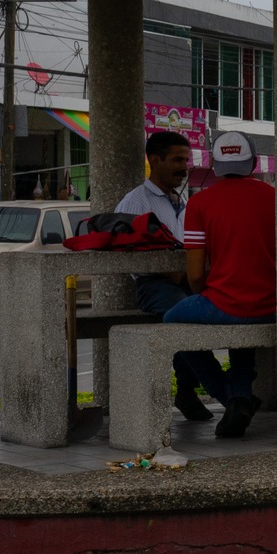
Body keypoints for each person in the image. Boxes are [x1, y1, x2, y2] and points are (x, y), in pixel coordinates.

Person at [164, 131, 275, 438]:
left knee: (170, 321)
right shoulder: (276, 198)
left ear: (214, 164)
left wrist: (206, 297)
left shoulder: (200, 204)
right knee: (243, 334)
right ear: (252, 163)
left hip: (227, 303)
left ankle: (227, 394)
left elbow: (196, 274)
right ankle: (238, 394)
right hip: (274, 304)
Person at [115, 131, 212, 422]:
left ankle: (188, 389)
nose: (184, 167)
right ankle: (221, 389)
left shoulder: (183, 201)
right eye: (177, 160)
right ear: (154, 160)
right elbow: (130, 254)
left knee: (222, 311)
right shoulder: (136, 203)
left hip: (188, 279)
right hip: (154, 284)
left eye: (186, 160)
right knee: (186, 318)